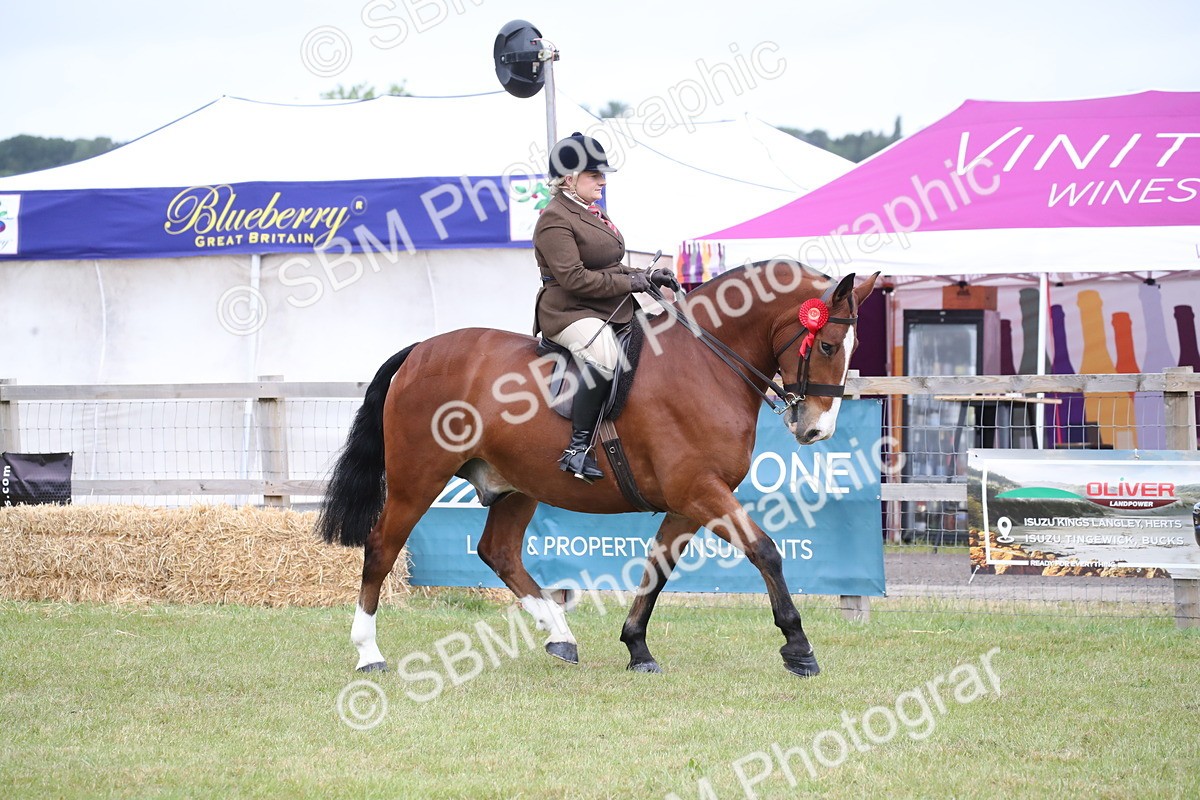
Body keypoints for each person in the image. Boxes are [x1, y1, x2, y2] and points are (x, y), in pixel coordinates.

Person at [532, 132, 677, 482]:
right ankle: (577, 449)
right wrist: (631, 283)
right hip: (569, 310)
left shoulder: (591, 212)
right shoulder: (554, 218)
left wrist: (647, 275)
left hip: (607, 305)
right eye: (594, 174)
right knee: (606, 356)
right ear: (569, 179)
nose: (602, 180)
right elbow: (576, 280)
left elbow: (610, 265)